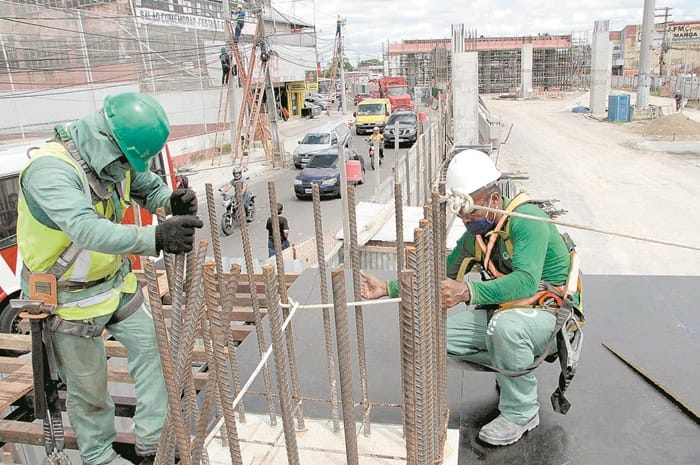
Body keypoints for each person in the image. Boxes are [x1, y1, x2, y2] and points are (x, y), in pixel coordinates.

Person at [16, 92, 203, 465]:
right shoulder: (50, 171)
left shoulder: (115, 158)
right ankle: (100, 456)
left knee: (154, 351)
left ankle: (151, 443)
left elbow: (146, 186)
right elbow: (87, 230)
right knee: (90, 391)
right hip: (69, 301)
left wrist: (170, 201)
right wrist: (155, 237)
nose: (127, 170)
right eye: (126, 161)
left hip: (114, 285)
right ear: (107, 142)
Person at [361, 149, 582, 447]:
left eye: (471, 210)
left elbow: (527, 283)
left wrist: (468, 291)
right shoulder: (477, 235)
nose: (466, 218)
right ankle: (512, 370)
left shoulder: (527, 220)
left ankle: (522, 412)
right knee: (433, 337)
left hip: (548, 316)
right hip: (507, 313)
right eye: (461, 211)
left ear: (493, 199)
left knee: (505, 330)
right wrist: (388, 288)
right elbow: (439, 273)